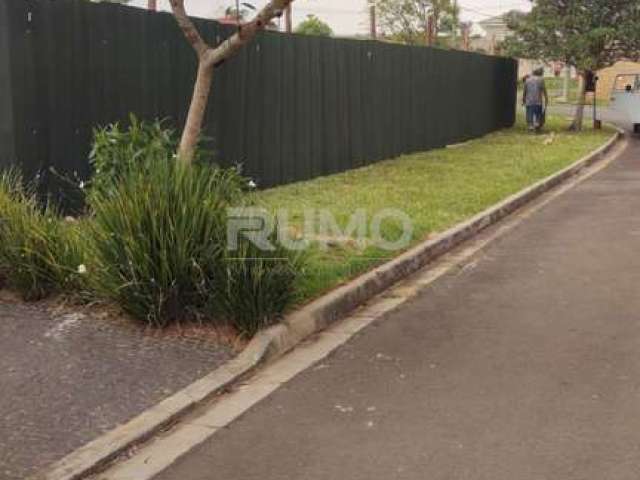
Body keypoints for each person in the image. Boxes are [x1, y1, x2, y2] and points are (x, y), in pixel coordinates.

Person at [522, 68, 549, 132]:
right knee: (538, 113)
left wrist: (523, 100)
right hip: (538, 101)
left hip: (529, 101)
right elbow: (544, 90)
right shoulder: (541, 80)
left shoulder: (527, 80)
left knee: (529, 113)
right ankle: (537, 123)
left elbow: (525, 91)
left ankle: (530, 125)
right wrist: (546, 98)